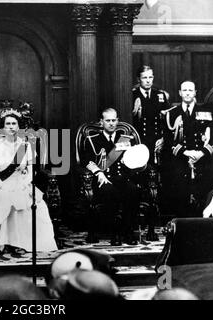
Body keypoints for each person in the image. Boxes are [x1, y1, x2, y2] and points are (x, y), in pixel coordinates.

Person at [0, 107, 57, 254]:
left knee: (34, 205)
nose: (11, 127)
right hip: (3, 184)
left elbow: (31, 169)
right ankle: (2, 243)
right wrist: (1, 185)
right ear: (3, 127)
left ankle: (21, 243)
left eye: (14, 124)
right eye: (8, 124)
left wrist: (23, 184)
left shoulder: (26, 145)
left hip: (22, 183)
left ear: (18, 126)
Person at [80, 108, 141, 246]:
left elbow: (131, 159)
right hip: (103, 180)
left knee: (134, 191)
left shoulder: (125, 139)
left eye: (114, 120)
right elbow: (87, 161)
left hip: (121, 178)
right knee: (110, 192)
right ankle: (115, 233)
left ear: (118, 121)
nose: (111, 123)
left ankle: (128, 231)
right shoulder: (92, 140)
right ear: (101, 122)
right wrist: (98, 173)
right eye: (108, 121)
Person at [162, 81, 213, 218]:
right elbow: (168, 140)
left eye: (190, 90)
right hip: (181, 160)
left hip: (201, 160)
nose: (187, 93)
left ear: (195, 93)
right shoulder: (172, 114)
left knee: (202, 196)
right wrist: (186, 153)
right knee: (181, 196)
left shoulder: (206, 112)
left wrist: (200, 153)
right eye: (184, 90)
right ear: (180, 93)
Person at [132, 65, 170, 163]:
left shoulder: (159, 95)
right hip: (140, 140)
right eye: (144, 77)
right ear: (138, 79)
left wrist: (163, 138)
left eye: (150, 77)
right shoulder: (132, 95)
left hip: (157, 140)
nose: (148, 81)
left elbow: (167, 121)